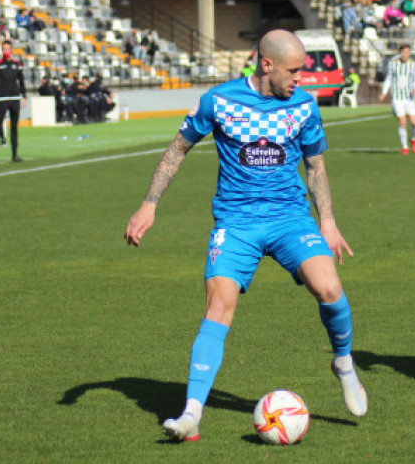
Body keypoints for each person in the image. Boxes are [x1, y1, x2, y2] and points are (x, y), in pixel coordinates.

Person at [124, 30, 367, 442]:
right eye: (294, 70)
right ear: (266, 65)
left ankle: (343, 362)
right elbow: (177, 150)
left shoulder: (304, 106)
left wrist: (326, 218)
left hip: (291, 218)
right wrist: (150, 202)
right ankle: (191, 415)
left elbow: (316, 166)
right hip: (236, 224)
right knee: (219, 305)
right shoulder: (219, 101)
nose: (300, 79)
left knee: (329, 288)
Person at [0, 40, 26, 163]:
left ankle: (14, 155)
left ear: (12, 50)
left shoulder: (17, 64)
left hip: (14, 99)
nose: (6, 52)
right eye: (4, 49)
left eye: (8, 49)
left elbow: (21, 81)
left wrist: (24, 96)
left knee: (14, 127)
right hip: (1, 99)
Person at [378, 43, 415, 155]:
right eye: (403, 52)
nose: (405, 55)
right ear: (400, 53)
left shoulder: (414, 65)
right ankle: (404, 146)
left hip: (409, 98)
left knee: (414, 123)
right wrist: (384, 92)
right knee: (402, 121)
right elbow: (389, 79)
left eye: (407, 52)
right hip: (397, 98)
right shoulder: (393, 64)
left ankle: (413, 139)